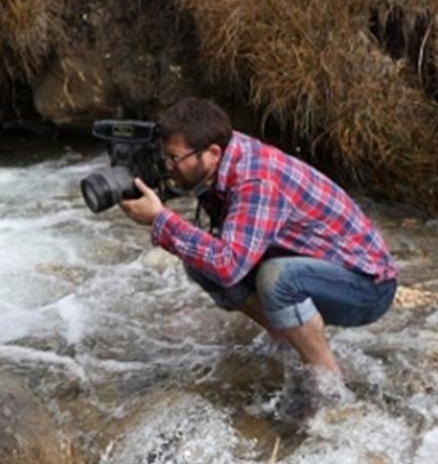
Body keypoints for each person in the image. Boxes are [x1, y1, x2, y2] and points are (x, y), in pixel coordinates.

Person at [119, 97, 397, 382]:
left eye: (174, 158)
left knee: (277, 278)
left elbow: (228, 265)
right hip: (319, 266)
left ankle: (327, 383)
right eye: (165, 156)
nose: (168, 166)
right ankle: (287, 339)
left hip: (367, 287)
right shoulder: (226, 153)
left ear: (213, 153)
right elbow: (213, 257)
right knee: (198, 259)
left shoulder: (256, 181)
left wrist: (160, 219)